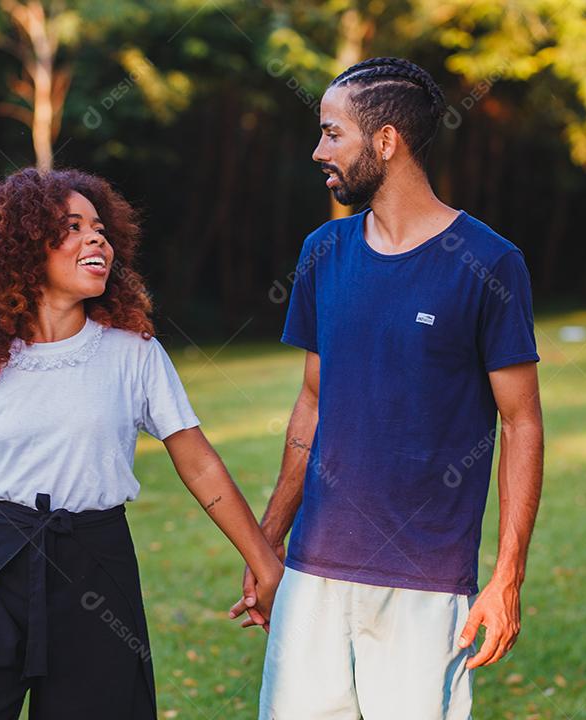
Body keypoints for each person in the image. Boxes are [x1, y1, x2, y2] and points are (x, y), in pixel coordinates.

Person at [0, 166, 284, 719]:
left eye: (100, 228)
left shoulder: (134, 353)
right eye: (71, 227)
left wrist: (264, 563)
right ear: (21, 249)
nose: (96, 238)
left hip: (97, 569)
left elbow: (198, 463)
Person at [229, 57, 545, 719]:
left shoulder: (490, 263)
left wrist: (507, 576)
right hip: (313, 572)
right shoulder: (324, 250)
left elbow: (521, 423)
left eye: (331, 133)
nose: (319, 151)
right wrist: (269, 544)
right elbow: (312, 402)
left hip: (425, 583)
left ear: (387, 141)